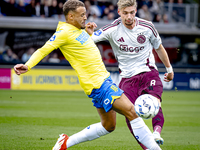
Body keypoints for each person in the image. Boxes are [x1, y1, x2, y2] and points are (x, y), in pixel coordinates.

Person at [13, 0, 162, 150]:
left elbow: (84, 47)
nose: (86, 17)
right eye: (82, 15)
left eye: (85, 14)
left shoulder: (78, 30)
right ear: (70, 16)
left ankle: (66, 142)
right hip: (98, 84)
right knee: (131, 111)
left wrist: (89, 33)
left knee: (109, 126)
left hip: (102, 81)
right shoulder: (63, 33)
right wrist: (28, 65)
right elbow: (43, 49)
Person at [89, 0, 174, 149]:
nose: (129, 17)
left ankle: (156, 133)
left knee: (154, 101)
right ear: (119, 12)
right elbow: (89, 40)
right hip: (127, 78)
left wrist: (169, 69)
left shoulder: (148, 27)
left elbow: (159, 48)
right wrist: (87, 30)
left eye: (132, 12)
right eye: (125, 13)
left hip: (148, 72)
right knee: (130, 115)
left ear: (136, 11)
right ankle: (148, 147)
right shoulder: (112, 28)